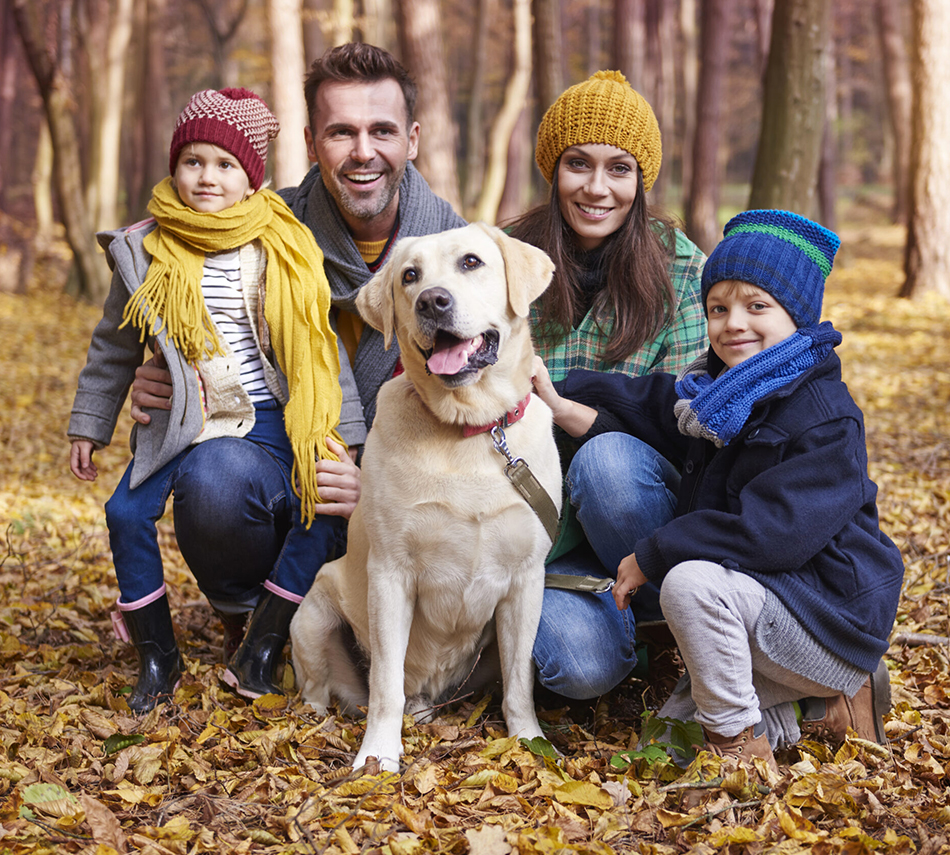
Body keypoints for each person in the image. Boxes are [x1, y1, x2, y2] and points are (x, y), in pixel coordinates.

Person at [534, 209, 903, 770]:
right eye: (719, 308)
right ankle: (810, 709)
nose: (734, 323)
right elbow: (649, 403)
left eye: (758, 307)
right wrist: (560, 394)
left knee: (688, 583)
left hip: (826, 616)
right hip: (766, 606)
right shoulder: (722, 396)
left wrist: (653, 553)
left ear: (798, 317)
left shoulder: (823, 417)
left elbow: (773, 533)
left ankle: (742, 752)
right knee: (664, 740)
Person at [68, 88, 348, 711]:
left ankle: (264, 644)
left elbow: (319, 346)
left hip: (271, 411)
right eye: (193, 161)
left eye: (225, 165)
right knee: (125, 513)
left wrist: (342, 439)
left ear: (253, 179)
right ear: (173, 167)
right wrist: (90, 423)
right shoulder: (144, 249)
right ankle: (157, 657)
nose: (207, 177)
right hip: (185, 414)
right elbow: (114, 346)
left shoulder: (283, 244)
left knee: (322, 506)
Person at [506, 70, 707, 699]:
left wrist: (582, 419)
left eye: (619, 169)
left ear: (640, 180)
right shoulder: (509, 257)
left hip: (638, 510)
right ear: (553, 170)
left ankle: (666, 618)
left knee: (607, 462)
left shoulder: (680, 267)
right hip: (534, 518)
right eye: (578, 164)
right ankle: (618, 632)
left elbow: (696, 426)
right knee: (578, 667)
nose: (597, 188)